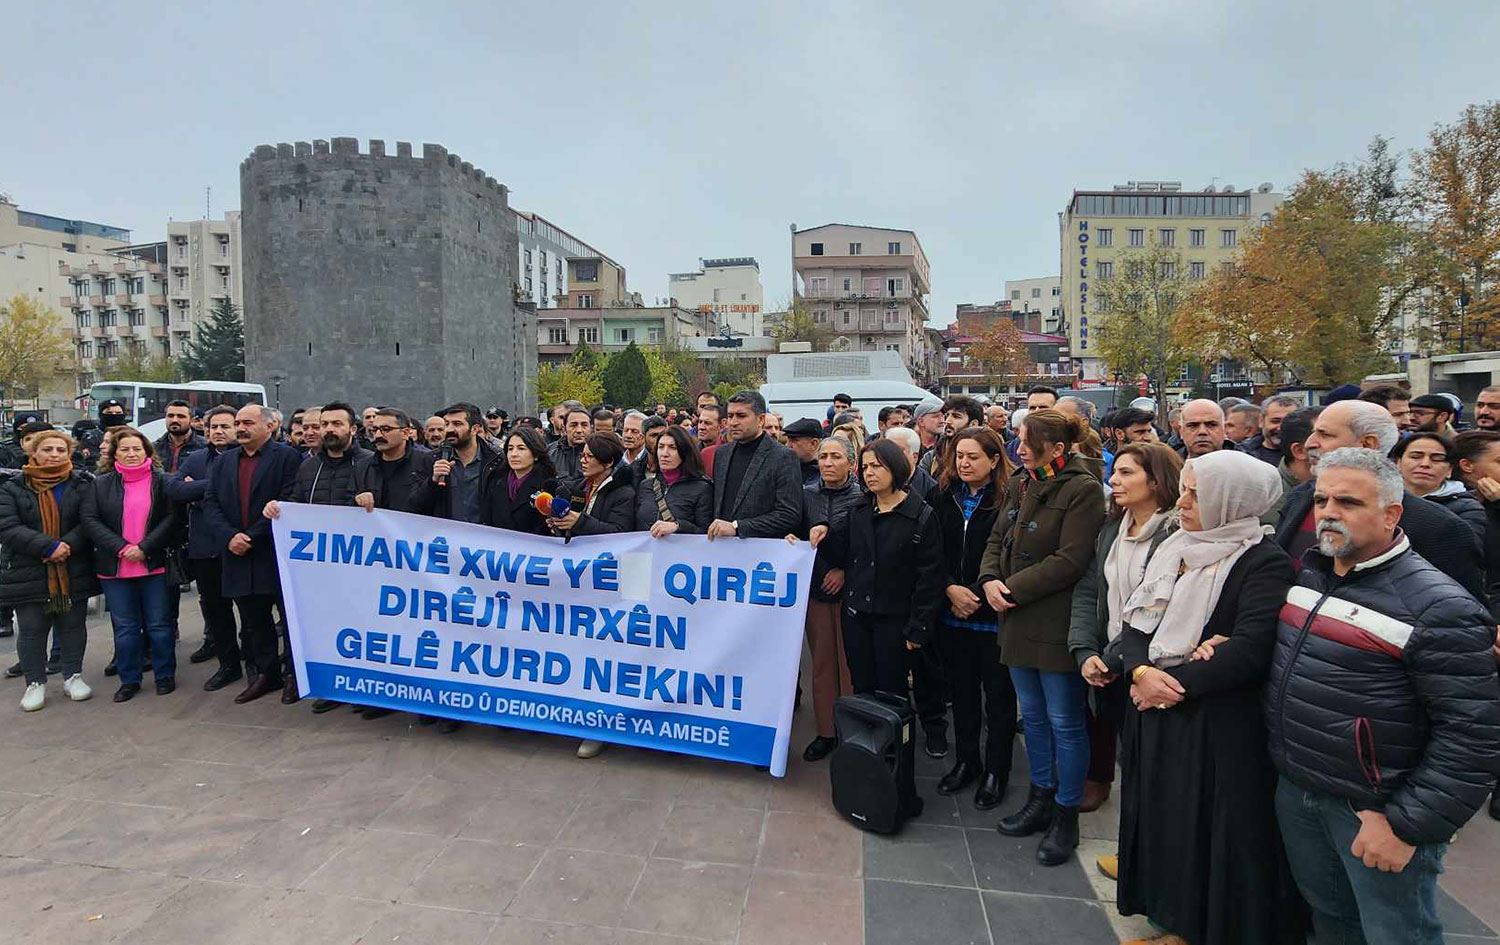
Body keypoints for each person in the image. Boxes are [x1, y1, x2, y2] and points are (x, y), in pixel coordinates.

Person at [1268, 447, 1500, 945]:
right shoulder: (1311, 574)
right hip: (1302, 790)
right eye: (1322, 500)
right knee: (1331, 921)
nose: (1328, 512)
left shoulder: (1439, 607)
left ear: (1392, 513)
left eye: (1348, 502)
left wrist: (1407, 825)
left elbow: (1472, 734)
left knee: (1397, 934)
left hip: (1376, 810)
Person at [1112, 450, 1303, 945]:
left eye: (1197, 494)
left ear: (1232, 500)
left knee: (1199, 828)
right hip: (1155, 705)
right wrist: (1141, 671)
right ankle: (1162, 910)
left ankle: (1193, 928)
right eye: (1185, 490)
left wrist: (1169, 686)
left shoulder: (1262, 561)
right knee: (1160, 815)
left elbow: (1249, 647)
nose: (1183, 502)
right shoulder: (1176, 545)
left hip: (1210, 723)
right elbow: (1137, 622)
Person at [979, 408, 1106, 867]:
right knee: (1032, 716)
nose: (1019, 448)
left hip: (1054, 620)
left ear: (1057, 448)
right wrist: (989, 579)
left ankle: (1065, 815)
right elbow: (997, 538)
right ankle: (1040, 796)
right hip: (1014, 617)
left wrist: (1011, 588)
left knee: (1064, 721)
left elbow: (1071, 560)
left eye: (1028, 441)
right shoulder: (1021, 481)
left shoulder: (1083, 489)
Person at [809, 438, 944, 819]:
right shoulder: (859, 511)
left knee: (893, 700)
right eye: (865, 467)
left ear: (895, 469)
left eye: (877, 467)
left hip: (895, 623)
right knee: (863, 694)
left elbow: (929, 577)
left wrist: (917, 629)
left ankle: (896, 780)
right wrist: (819, 535)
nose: (869, 473)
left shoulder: (920, 515)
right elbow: (838, 551)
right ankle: (864, 773)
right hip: (858, 619)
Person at [1273, 401, 1485, 598]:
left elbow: (1456, 612)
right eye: (1322, 501)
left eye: (1324, 434)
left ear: (1368, 444)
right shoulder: (1300, 497)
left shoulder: (1439, 528)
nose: (1310, 444)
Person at [932, 427, 1017, 810]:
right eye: (959, 456)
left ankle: (997, 770)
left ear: (994, 460)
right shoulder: (942, 495)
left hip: (995, 616)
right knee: (963, 695)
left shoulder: (1010, 499)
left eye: (973, 457)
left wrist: (979, 594)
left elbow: (1010, 557)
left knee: (999, 700)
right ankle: (967, 760)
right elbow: (931, 551)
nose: (964, 463)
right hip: (953, 614)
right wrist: (949, 588)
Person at [203, 405, 302, 704]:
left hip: (273, 552)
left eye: (248, 422)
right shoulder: (224, 461)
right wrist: (229, 536)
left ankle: (294, 676)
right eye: (238, 422)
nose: (240, 427)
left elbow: (288, 500)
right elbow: (211, 502)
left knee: (289, 619)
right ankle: (266, 674)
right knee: (253, 620)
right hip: (236, 554)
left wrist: (251, 536)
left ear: (270, 426)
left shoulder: (287, 457)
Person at [0, 430, 97, 710]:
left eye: (60, 450)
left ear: (69, 453)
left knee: (72, 626)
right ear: (33, 453)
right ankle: (35, 682)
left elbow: (89, 520)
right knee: (31, 629)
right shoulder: (12, 487)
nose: (54, 455)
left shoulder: (82, 484)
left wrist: (66, 546)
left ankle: (73, 676)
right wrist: (47, 547)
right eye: (47, 449)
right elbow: (7, 526)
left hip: (72, 566)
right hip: (27, 569)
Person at [81, 427, 180, 703]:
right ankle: (129, 680)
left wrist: (145, 547)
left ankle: (164, 675)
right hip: (115, 566)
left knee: (159, 625)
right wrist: (122, 548)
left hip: (153, 564)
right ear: (115, 454)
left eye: (137, 448)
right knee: (125, 628)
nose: (131, 453)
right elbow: (90, 520)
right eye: (125, 449)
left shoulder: (163, 481)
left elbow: (172, 518)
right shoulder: (100, 484)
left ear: (147, 452)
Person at [789, 437, 863, 762]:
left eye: (836, 457)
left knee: (849, 663)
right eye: (823, 457)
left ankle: (852, 731)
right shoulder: (805, 495)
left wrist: (845, 572)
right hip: (817, 589)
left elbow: (867, 547)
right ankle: (825, 732)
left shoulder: (862, 497)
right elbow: (796, 534)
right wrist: (792, 540)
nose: (828, 463)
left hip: (852, 593)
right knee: (821, 662)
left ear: (851, 463)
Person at [167, 406, 243, 690]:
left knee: (250, 612)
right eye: (213, 427)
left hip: (239, 546)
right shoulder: (197, 458)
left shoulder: (247, 458)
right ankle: (228, 665)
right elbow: (175, 490)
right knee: (216, 612)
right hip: (204, 548)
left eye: (225, 426)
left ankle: (256, 664)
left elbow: (242, 495)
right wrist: (215, 485)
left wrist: (198, 490)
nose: (218, 431)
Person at [706, 391, 803, 541]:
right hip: (722, 548)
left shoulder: (783, 457)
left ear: (761, 419)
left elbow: (789, 514)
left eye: (741, 416)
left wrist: (738, 527)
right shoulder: (722, 454)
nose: (733, 422)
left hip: (762, 550)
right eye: (730, 416)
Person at [410, 403, 502, 526]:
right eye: (446, 424)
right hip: (447, 534)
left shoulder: (496, 460)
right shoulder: (431, 459)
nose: (449, 430)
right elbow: (414, 505)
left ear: (475, 429)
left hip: (485, 534)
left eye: (457, 424)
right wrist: (432, 481)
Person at [1391, 431, 1486, 544]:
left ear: (1450, 470)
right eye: (1416, 456)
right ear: (1398, 463)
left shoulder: (1466, 508)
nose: (1425, 464)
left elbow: (1466, 548)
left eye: (1437, 459)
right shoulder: (1380, 497)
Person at [353, 407, 435, 518]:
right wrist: (357, 499)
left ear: (405, 433)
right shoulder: (362, 467)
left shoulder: (427, 463)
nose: (378, 435)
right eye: (375, 430)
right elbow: (347, 502)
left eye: (386, 429)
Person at [477, 426, 557, 535]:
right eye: (510, 449)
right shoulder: (495, 479)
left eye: (521, 448)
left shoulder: (548, 485)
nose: (514, 454)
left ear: (536, 454)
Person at [634, 426, 713, 535]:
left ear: (684, 452)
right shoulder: (646, 486)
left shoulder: (702, 488)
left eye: (672, 447)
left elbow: (706, 534)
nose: (665, 453)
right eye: (661, 447)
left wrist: (678, 526)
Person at [1239, 394, 1301, 466]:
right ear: (1261, 421)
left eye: (1288, 422)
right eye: (1275, 421)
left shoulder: (1308, 457)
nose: (1280, 428)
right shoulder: (1242, 455)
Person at [154, 400, 206, 474]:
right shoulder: (154, 448)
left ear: (191, 420)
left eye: (181, 416)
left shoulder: (205, 447)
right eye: (170, 416)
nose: (174, 420)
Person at [547, 404, 590, 480]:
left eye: (584, 425)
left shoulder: (599, 453)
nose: (579, 430)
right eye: (573, 425)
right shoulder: (549, 453)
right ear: (564, 428)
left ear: (591, 428)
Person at [783, 418, 823, 484]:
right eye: (788, 440)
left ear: (813, 443)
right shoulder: (786, 469)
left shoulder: (826, 473)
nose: (788, 445)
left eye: (794, 440)